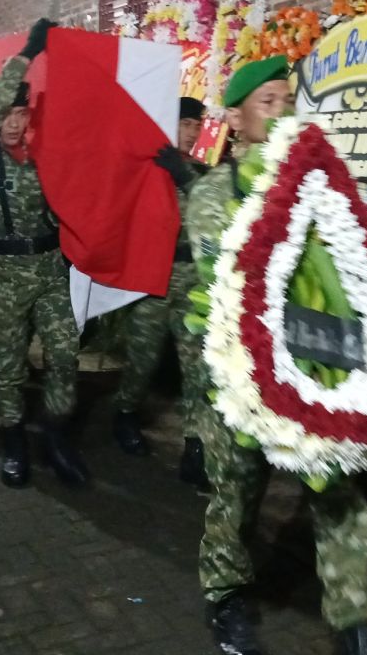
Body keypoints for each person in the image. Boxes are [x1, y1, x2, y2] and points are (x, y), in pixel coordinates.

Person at [188, 56, 367, 655]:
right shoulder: (213, 194)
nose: (280, 113)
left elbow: (351, 261)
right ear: (235, 120)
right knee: (235, 491)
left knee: (336, 491)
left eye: (287, 101)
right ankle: (226, 593)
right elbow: (224, 281)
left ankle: (355, 614)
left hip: (316, 363)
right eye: (267, 103)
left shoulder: (321, 184)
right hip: (240, 375)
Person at [0, 20, 90, 487]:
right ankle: (14, 444)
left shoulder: (39, 158)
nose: (14, 122)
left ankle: (55, 437)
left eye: (21, 113)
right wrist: (29, 53)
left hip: (49, 271)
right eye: (7, 114)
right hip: (4, 276)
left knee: (64, 354)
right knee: (8, 365)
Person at [112, 96, 211, 490]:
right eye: (185, 124)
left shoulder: (201, 174)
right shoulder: (149, 171)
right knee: (143, 357)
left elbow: (215, 212)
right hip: (153, 277)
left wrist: (183, 175)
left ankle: (195, 444)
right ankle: (124, 412)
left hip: (193, 281)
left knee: (197, 367)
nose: (192, 132)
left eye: (196, 125)